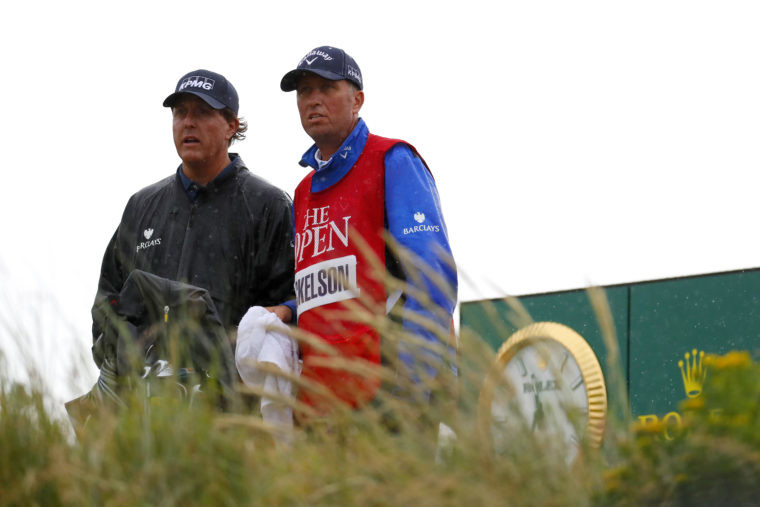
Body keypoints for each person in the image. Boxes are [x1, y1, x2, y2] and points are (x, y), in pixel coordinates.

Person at [276, 46, 457, 415]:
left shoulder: (393, 160)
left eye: (326, 88)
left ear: (357, 99)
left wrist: (407, 388)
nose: (313, 100)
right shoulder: (302, 192)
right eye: (304, 91)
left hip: (391, 397)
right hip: (322, 406)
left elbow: (431, 281)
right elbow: (332, 290)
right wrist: (286, 311)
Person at [90, 69, 295, 393]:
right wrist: (121, 353)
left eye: (202, 112)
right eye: (180, 112)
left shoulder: (268, 204)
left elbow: (291, 305)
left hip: (233, 410)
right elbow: (106, 301)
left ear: (231, 125)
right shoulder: (142, 205)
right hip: (143, 410)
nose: (188, 122)